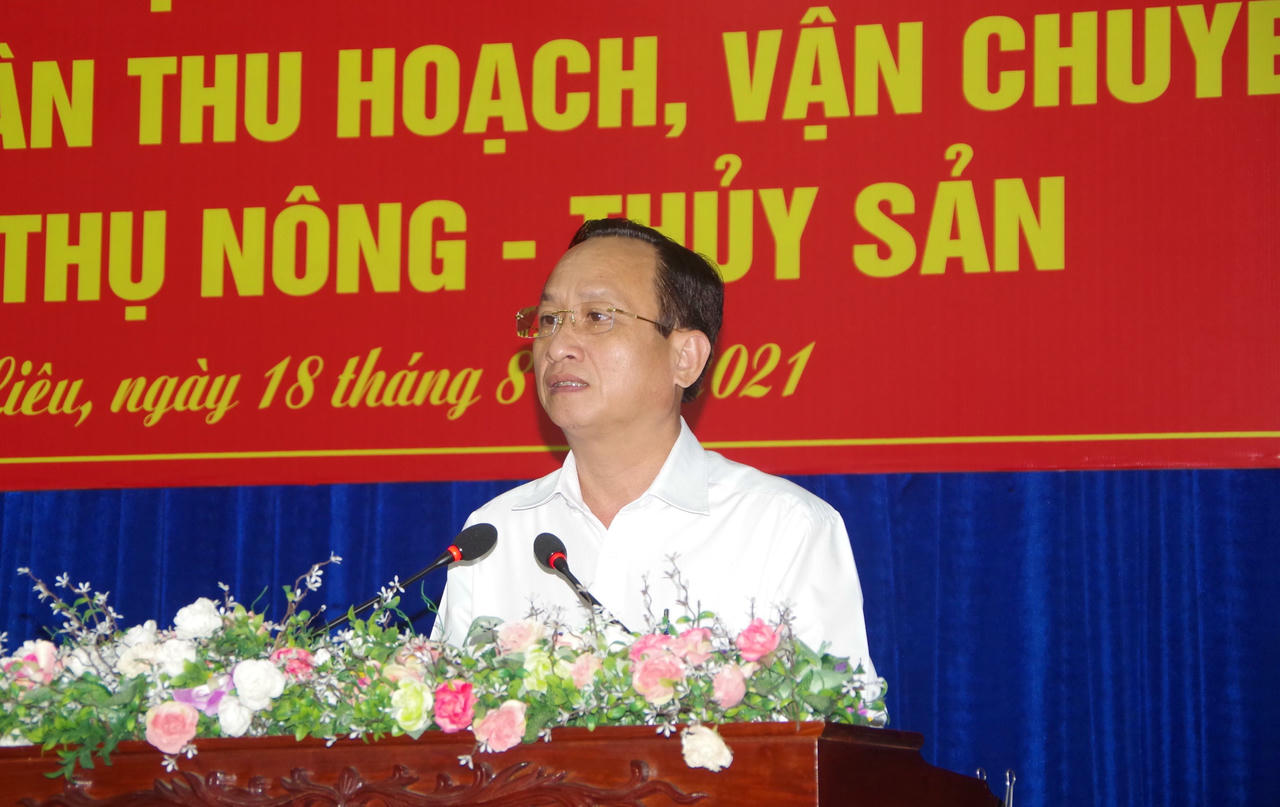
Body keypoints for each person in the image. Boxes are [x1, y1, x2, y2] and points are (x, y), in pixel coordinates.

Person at [431, 218, 877, 676]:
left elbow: (839, 715)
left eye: (597, 316)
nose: (558, 345)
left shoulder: (783, 530)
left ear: (685, 358)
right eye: (548, 320)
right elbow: (446, 716)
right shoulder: (493, 536)